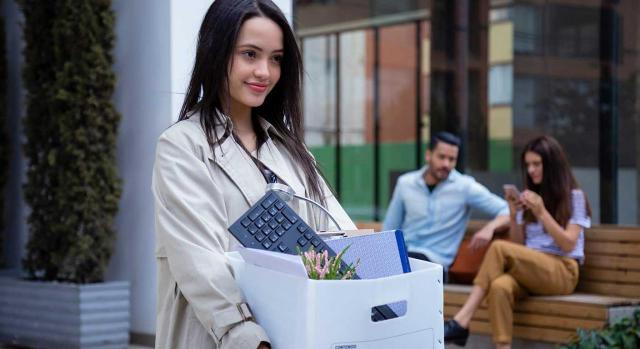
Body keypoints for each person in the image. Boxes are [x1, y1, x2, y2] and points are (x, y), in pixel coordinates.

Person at [151, 1, 356, 348]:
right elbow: (200, 261)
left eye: (276, 58)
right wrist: (244, 334)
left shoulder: (291, 150)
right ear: (216, 52)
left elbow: (337, 234)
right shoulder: (182, 145)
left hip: (298, 331)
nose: (265, 71)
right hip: (217, 335)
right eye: (250, 54)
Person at [444, 135, 592, 348]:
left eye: (536, 164)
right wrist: (514, 215)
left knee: (498, 247)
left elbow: (569, 244)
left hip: (563, 270)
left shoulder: (574, 196)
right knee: (499, 286)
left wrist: (541, 212)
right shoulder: (530, 198)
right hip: (532, 270)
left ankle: (462, 319)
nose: (531, 170)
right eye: (528, 165)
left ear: (551, 165)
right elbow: (519, 245)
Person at [383, 132, 510, 272]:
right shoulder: (405, 183)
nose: (446, 164)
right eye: (441, 157)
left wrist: (489, 228)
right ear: (428, 155)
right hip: (405, 257)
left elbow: (507, 210)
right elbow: (389, 229)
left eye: (452, 159)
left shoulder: (465, 187)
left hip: (436, 265)